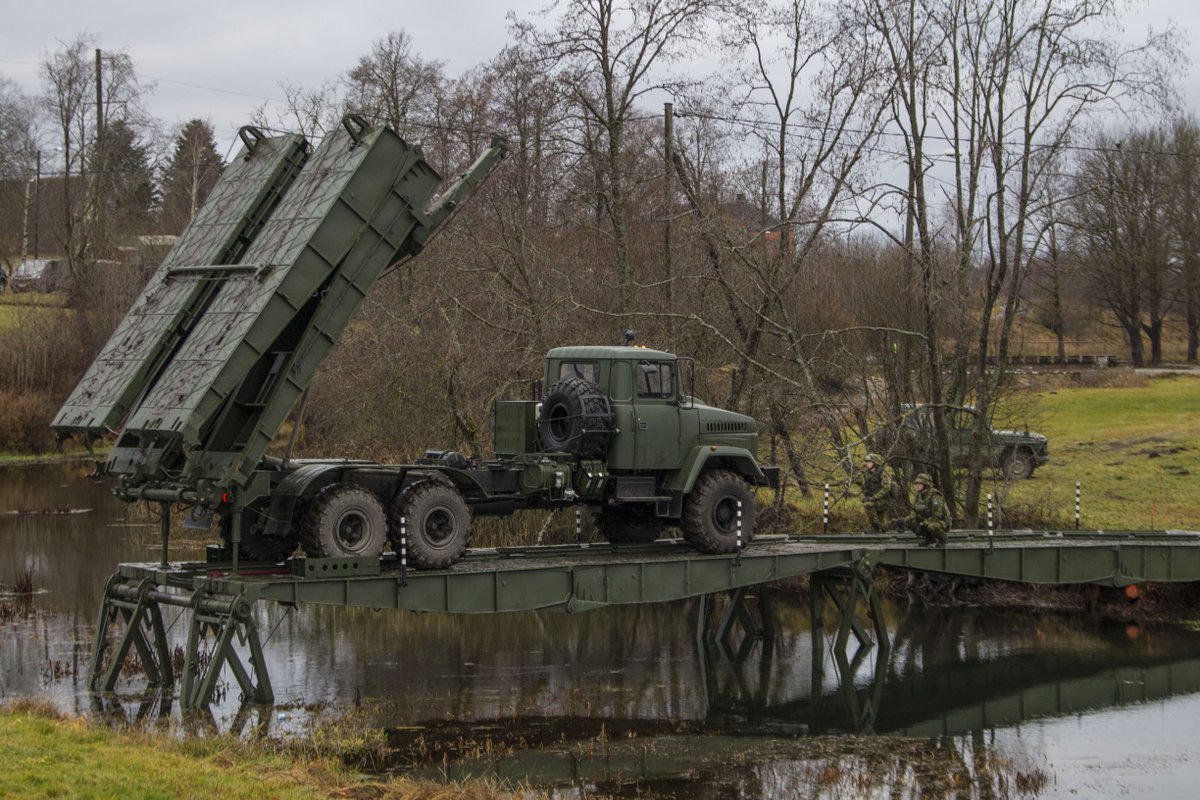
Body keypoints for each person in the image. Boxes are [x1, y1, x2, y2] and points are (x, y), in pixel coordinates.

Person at [896, 472, 950, 546]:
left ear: (926, 485)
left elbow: (936, 516)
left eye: (920, 484)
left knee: (931, 526)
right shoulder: (919, 495)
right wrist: (911, 520)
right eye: (916, 484)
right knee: (909, 521)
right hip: (926, 520)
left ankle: (943, 539)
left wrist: (922, 524)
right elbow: (914, 509)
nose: (917, 486)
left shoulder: (935, 496)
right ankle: (929, 538)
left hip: (941, 521)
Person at [859, 453, 893, 532]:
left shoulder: (883, 473)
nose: (867, 464)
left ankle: (875, 527)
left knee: (868, 505)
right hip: (874, 500)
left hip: (883, 500)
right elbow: (863, 488)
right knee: (883, 526)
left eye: (869, 462)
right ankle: (880, 528)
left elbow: (886, 488)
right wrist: (863, 497)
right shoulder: (866, 474)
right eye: (866, 462)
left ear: (875, 463)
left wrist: (875, 497)